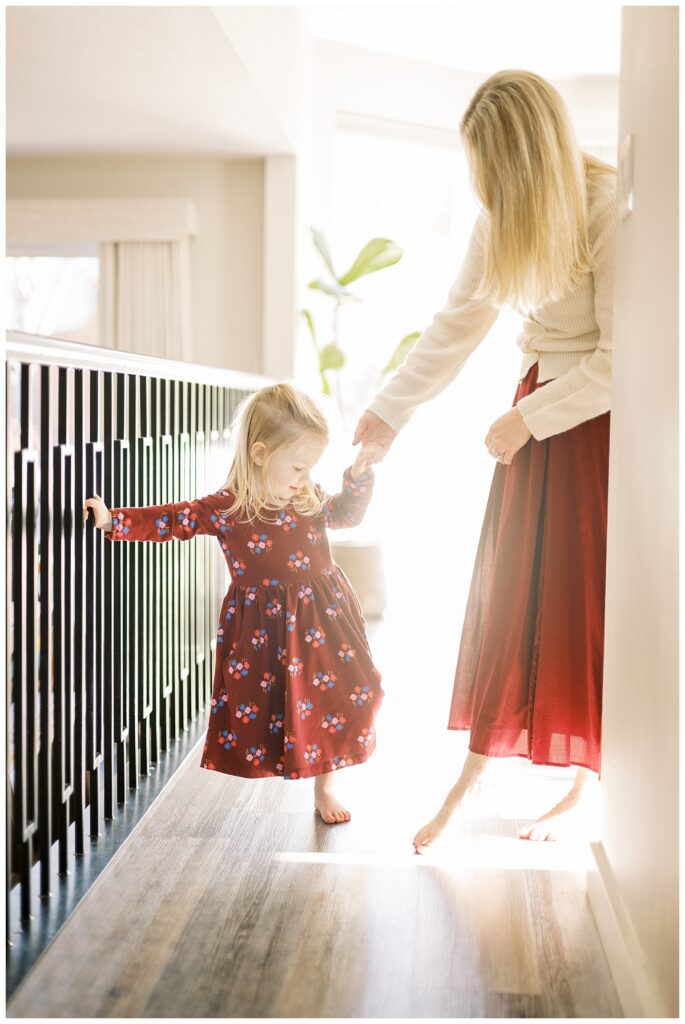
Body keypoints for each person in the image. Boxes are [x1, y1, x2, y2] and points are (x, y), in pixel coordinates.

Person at [353, 70, 617, 850]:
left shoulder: (605, 209)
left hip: (585, 424)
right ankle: (473, 776)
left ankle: (586, 782)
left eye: (493, 168)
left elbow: (621, 357)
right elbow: (455, 324)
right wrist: (387, 413)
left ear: (525, 157)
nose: (485, 187)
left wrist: (527, 420)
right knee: (513, 599)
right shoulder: (498, 219)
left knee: (582, 603)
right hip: (535, 416)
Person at [84, 383, 384, 825]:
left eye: (309, 468)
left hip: (324, 616)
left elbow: (346, 514)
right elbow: (174, 519)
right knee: (281, 704)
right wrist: (115, 520)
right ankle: (305, 772)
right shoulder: (226, 508)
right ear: (260, 453)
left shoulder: (306, 496)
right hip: (265, 628)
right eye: (298, 466)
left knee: (346, 693)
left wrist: (358, 473)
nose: (304, 478)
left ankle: (326, 783)